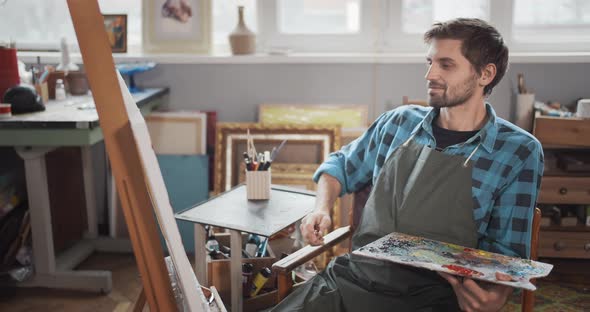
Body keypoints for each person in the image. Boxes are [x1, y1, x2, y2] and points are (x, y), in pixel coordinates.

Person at [272, 18, 544, 312]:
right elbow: (339, 166)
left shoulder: (518, 151)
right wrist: (321, 209)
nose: (430, 74)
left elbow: (507, 253)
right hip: (353, 281)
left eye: (446, 64)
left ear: (485, 74)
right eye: (429, 62)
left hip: (436, 298)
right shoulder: (397, 123)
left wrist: (497, 297)